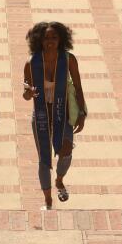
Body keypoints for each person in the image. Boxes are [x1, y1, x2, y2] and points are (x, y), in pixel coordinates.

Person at [23, 21, 87, 209]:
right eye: (46, 38)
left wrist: (82, 112)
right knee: (44, 158)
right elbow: (25, 94)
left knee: (66, 150)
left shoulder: (68, 60)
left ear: (61, 40)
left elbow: (78, 86)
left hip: (63, 112)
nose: (50, 41)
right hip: (42, 115)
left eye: (54, 38)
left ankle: (59, 179)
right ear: (39, 41)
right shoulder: (32, 63)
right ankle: (48, 200)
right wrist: (29, 93)